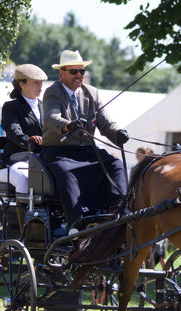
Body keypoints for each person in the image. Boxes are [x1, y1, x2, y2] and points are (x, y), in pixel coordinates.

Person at [42, 50, 129, 226]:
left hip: (87, 151)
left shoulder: (92, 93)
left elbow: (106, 123)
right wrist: (68, 125)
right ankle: (75, 222)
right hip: (59, 152)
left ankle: (117, 211)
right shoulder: (53, 92)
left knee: (115, 165)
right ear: (62, 73)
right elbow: (51, 117)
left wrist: (118, 133)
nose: (79, 75)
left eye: (82, 71)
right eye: (74, 71)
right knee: (68, 174)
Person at [0, 63, 47, 195]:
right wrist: (29, 141)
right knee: (24, 178)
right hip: (16, 161)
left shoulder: (45, 106)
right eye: (35, 83)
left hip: (41, 159)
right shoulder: (11, 107)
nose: (40, 86)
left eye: (41, 83)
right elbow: (13, 131)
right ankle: (25, 215)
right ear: (22, 84)